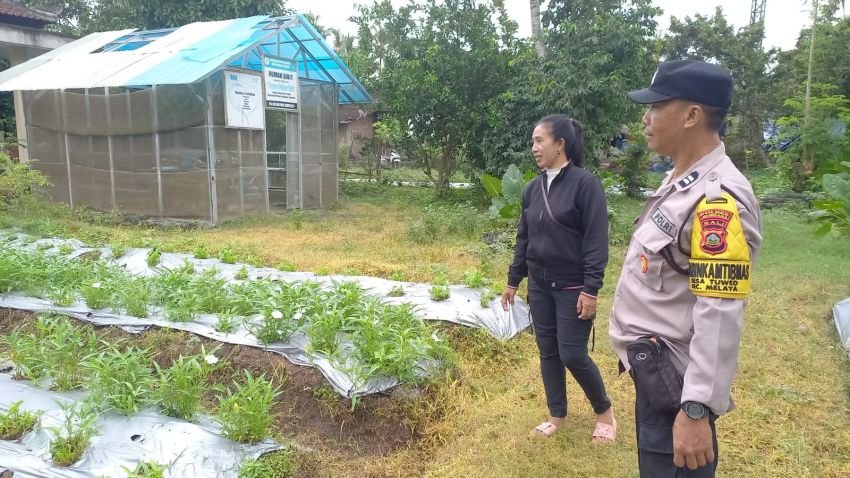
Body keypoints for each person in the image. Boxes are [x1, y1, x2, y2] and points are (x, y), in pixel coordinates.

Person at [609, 60, 763, 477]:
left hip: (676, 386)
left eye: (656, 106)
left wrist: (697, 409)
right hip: (654, 373)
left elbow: (720, 310)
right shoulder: (682, 179)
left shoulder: (717, 200)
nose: (645, 118)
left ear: (692, 115)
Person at [501, 114, 616, 444]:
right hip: (540, 286)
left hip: (573, 288)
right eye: (533, 142)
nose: (534, 148)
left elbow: (596, 242)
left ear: (560, 144)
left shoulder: (585, 185)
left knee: (573, 355)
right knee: (548, 352)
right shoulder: (532, 189)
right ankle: (557, 415)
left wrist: (591, 289)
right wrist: (513, 281)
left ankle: (605, 413)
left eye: (540, 141)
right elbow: (524, 238)